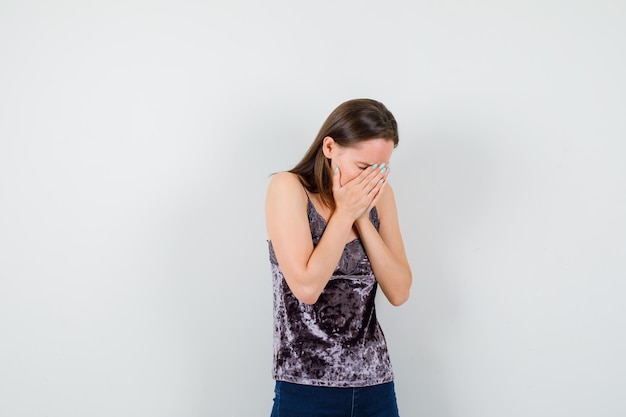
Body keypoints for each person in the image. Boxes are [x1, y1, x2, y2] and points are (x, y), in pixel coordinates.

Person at [265, 98, 412, 417]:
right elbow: (306, 287)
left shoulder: (382, 197)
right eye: (362, 167)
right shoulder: (288, 188)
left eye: (380, 169)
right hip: (305, 386)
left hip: (375, 386)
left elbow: (399, 291)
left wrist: (360, 217)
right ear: (329, 147)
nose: (371, 180)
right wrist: (344, 213)